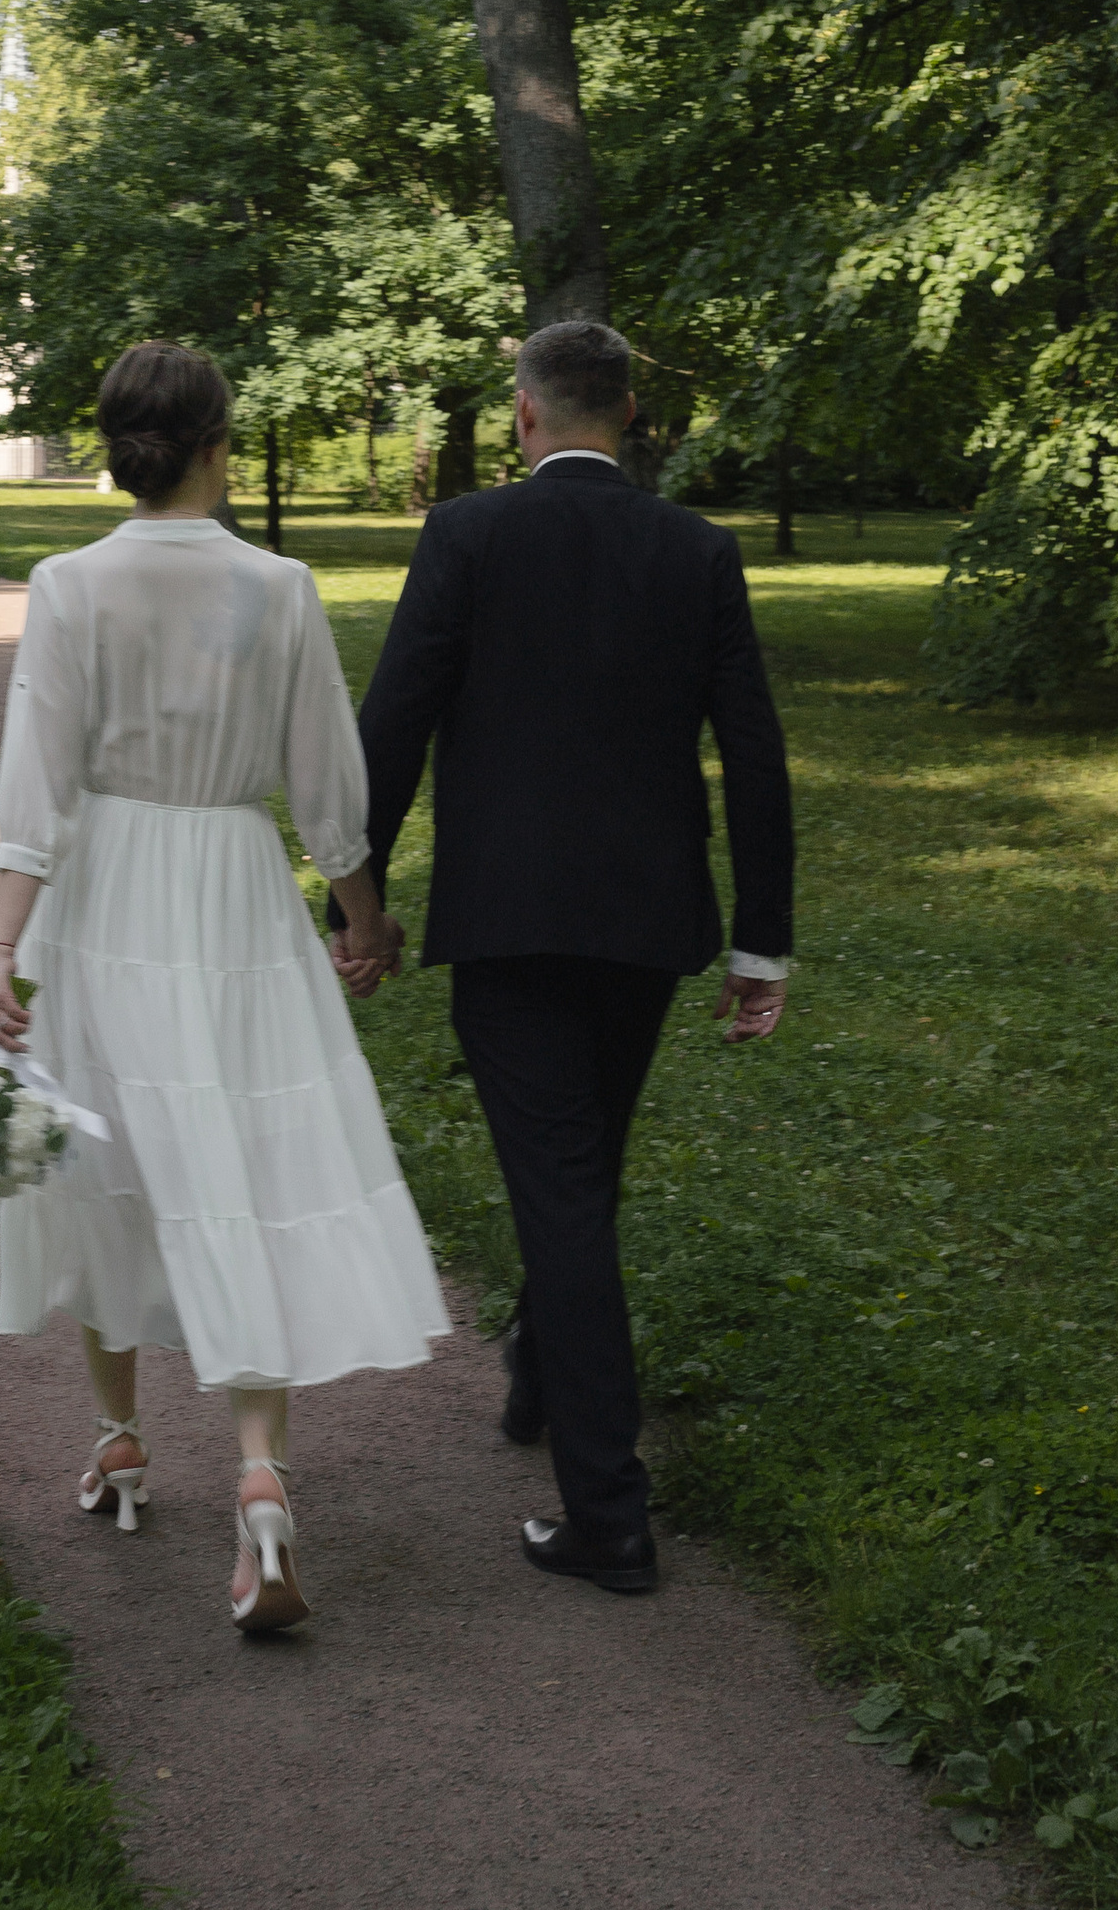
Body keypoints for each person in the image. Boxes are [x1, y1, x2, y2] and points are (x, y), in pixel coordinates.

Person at [0, 341, 449, 1632]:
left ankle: (120, 1437)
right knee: (241, 1166)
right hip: (235, 888)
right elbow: (326, 790)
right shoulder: (276, 587)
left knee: (104, 1164)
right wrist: (364, 924)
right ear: (215, 444)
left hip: (107, 893)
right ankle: (260, 1478)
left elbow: (37, 788)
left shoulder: (69, 587)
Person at [332, 319, 794, 1596]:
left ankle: (609, 1515)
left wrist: (352, 904)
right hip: (647, 927)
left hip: (510, 921)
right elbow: (750, 750)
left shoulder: (467, 534)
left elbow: (394, 726)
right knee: (581, 1167)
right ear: (631, 414)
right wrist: (761, 940)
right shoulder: (694, 550)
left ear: (524, 416)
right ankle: (541, 1382)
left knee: (566, 1187)